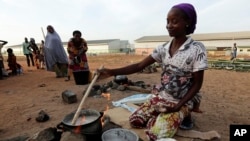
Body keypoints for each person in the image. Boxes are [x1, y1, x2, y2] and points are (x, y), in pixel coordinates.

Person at [97, 3, 208, 140]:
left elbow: (197, 84)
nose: (169, 25)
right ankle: (165, 117)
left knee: (156, 134)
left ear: (187, 22)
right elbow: (139, 66)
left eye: (174, 21)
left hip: (182, 100)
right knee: (135, 120)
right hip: (163, 96)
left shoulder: (196, 49)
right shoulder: (163, 48)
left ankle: (186, 115)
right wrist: (111, 72)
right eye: (167, 21)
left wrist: (177, 106)